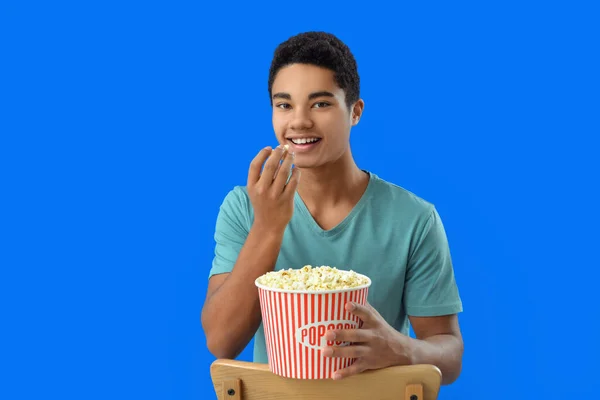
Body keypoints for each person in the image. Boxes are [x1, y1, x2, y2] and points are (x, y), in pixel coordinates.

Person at [201, 31, 464, 385]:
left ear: (355, 111)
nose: (299, 121)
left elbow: (449, 352)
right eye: (284, 104)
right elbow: (221, 341)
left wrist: (402, 348)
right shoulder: (243, 207)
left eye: (320, 103)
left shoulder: (415, 219)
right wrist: (268, 226)